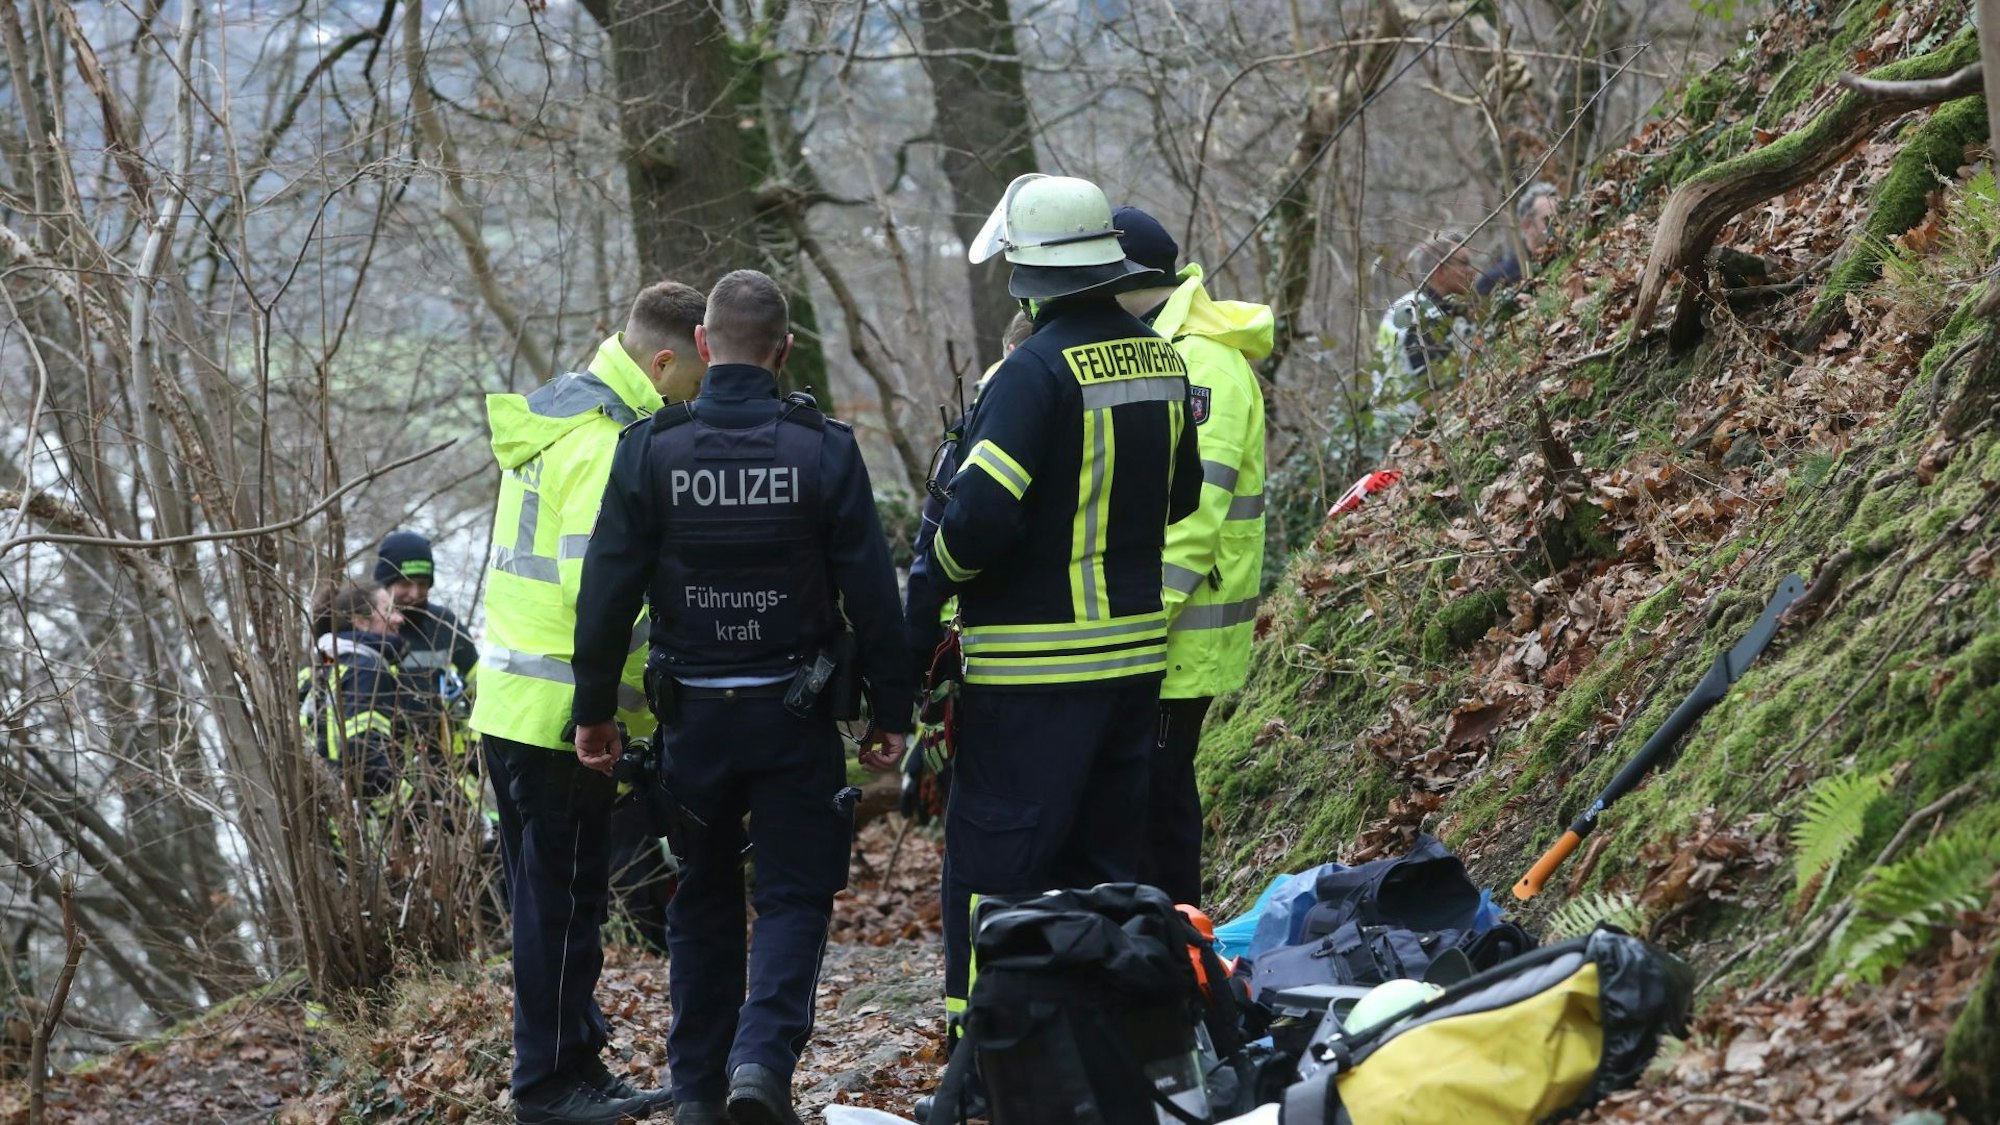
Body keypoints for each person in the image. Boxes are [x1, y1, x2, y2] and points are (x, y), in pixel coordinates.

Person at [570, 269, 913, 1125]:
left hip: (693, 722)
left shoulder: (650, 448)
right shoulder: (824, 448)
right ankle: (760, 1062)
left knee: (704, 893)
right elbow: (872, 591)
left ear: (701, 345)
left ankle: (695, 1090)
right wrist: (892, 712)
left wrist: (594, 709)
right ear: (785, 351)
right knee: (795, 894)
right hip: (794, 716)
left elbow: (607, 591)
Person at [915, 173, 1202, 1034]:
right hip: (1134, 669)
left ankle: (985, 1045)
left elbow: (973, 521)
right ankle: (1105, 1034)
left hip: (1032, 677)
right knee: (1107, 861)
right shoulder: (1163, 357)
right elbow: (1180, 497)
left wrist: (941, 576)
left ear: (1029, 272)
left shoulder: (1030, 372)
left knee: (996, 864)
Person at [469, 280, 708, 1125]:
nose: (702, 396)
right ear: (664, 359)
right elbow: (601, 602)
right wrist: (651, 704)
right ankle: (548, 1086)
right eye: (695, 376)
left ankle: (576, 1061)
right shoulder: (604, 446)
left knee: (557, 900)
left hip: (512, 701)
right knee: (563, 906)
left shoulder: (562, 412)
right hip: (557, 713)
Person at [1111, 206, 1271, 908]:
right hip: (1162, 629)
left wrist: (1140, 617)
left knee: (1157, 805)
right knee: (1148, 800)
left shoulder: (1201, 363)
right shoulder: (1159, 347)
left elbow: (1190, 517)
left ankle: (1177, 958)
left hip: (1179, 634)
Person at [305, 582, 408, 801]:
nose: (400, 619)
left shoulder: (316, 667)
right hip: (361, 824)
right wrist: (417, 804)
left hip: (316, 818)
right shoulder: (366, 670)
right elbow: (369, 768)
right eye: (389, 611)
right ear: (360, 622)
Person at [1374, 233, 1479, 430]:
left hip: (1392, 419)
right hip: (1406, 426)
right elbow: (1432, 394)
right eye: (1464, 263)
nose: (1472, 270)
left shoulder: (1415, 303)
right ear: (1440, 271)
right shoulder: (1424, 316)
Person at [1476, 181, 1560, 295]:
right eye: (1549, 219)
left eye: (1562, 215)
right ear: (1527, 225)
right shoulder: (1500, 278)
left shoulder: (1568, 253)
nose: (1560, 223)